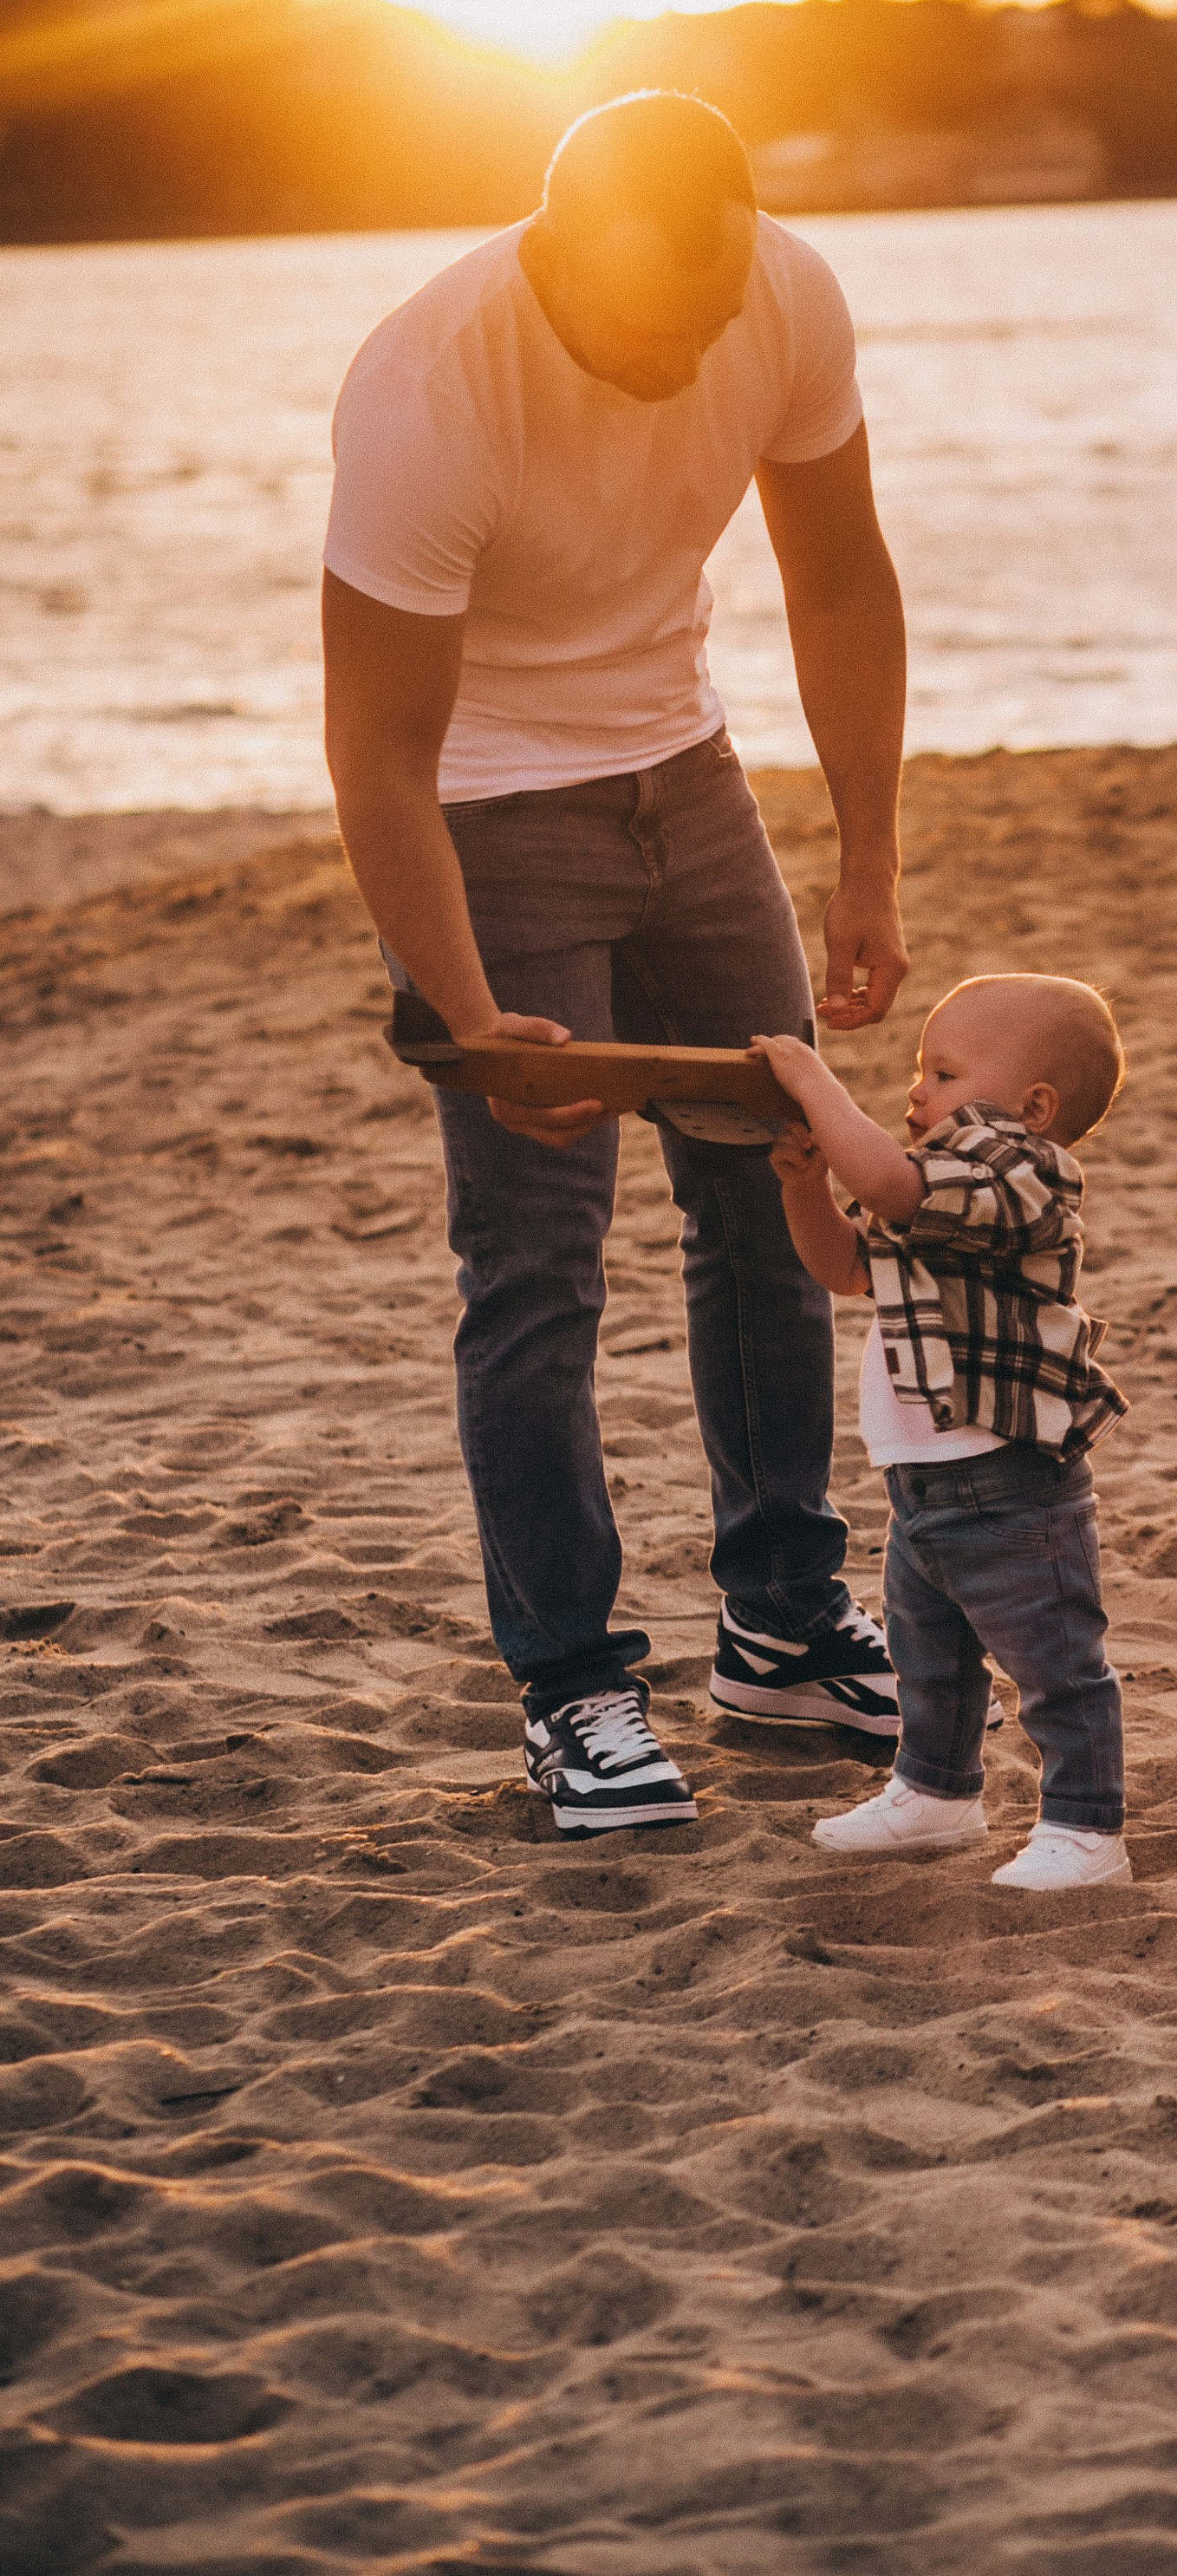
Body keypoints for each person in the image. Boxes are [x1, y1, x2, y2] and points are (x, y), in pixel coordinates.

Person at [322, 90, 911, 1836]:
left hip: (687, 770)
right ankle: (573, 1686)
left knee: (772, 1187)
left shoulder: (783, 298)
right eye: (643, 319)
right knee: (537, 1261)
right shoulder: (431, 393)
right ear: (552, 248)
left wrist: (865, 852)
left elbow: (840, 577)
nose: (679, 356)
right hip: (491, 812)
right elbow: (376, 754)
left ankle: (782, 1621)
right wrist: (462, 1000)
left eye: (706, 312)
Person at [754, 975, 1133, 1888]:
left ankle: (1087, 1831)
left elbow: (884, 1180)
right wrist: (806, 1188)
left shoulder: (1016, 1172)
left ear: (1032, 1106)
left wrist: (815, 1083)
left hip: (1007, 1483)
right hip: (921, 1481)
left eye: (945, 1072)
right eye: (920, 1071)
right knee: (929, 1658)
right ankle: (935, 1792)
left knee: (1054, 1665)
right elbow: (845, 1268)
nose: (917, 1091)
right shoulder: (940, 1188)